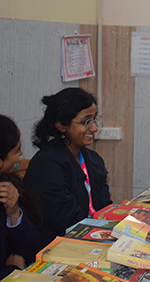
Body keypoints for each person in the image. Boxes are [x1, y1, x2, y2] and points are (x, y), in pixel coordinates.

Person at [25, 87, 112, 247]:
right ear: (61, 126)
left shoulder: (93, 159)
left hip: (95, 237)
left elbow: (105, 206)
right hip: (60, 244)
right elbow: (66, 219)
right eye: (86, 122)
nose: (94, 128)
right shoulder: (46, 165)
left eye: (94, 119)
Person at [0, 114, 40, 282]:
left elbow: (30, 250)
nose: (21, 153)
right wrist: (12, 270)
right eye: (16, 150)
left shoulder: (2, 186)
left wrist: (14, 214)